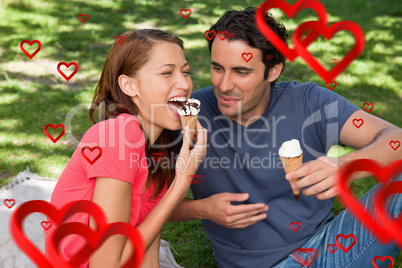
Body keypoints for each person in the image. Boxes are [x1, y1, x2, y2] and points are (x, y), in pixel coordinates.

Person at [170, 7, 402, 267]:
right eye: (217, 68)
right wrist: (201, 209)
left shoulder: (311, 102)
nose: (224, 85)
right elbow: (137, 202)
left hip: (330, 248)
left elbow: (396, 139)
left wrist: (348, 165)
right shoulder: (190, 113)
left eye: (241, 72)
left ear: (273, 71)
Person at [45, 29, 207, 268]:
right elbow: (106, 264)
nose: (184, 83)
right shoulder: (117, 136)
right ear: (129, 86)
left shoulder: (160, 145)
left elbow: (149, 236)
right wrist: (181, 183)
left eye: (185, 72)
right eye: (166, 73)